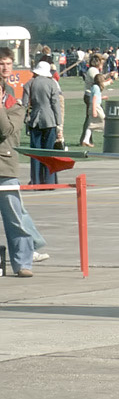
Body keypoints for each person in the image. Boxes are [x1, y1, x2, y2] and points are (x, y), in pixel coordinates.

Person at [0, 47, 39, 277]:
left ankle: (23, 262)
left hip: (5, 166)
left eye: (7, 63)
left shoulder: (13, 100)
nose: (5, 68)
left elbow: (7, 131)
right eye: (1, 63)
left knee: (15, 218)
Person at [23, 59, 65, 185]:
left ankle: (36, 181)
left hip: (34, 120)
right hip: (50, 120)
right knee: (49, 152)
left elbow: (25, 104)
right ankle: (49, 181)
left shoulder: (29, 84)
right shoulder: (52, 84)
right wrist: (59, 124)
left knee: (36, 153)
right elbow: (55, 105)